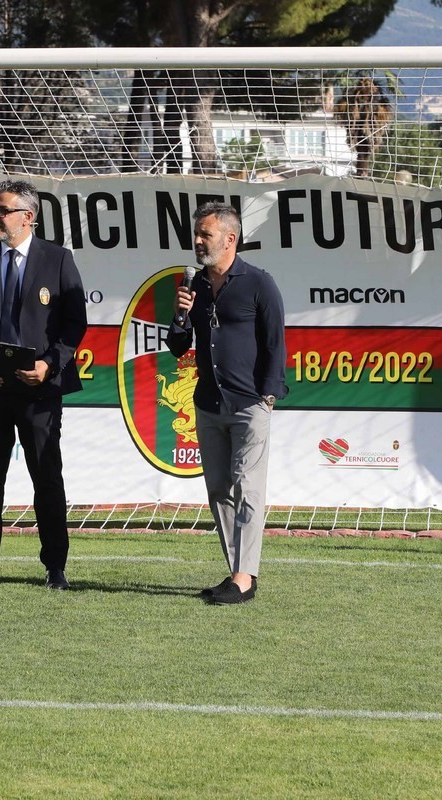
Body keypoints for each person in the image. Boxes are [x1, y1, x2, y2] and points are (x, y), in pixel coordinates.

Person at [0, 179, 87, 590]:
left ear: (28, 217)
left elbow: (75, 324)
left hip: (40, 391)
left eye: (2, 210)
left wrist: (48, 365)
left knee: (47, 477)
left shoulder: (57, 260)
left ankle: (55, 567)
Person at [166, 202, 287, 605]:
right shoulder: (195, 285)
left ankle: (243, 579)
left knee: (247, 487)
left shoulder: (259, 283)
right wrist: (180, 316)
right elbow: (178, 347)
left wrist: (267, 397)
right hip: (208, 403)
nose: (198, 241)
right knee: (219, 489)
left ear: (230, 239)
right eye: (197, 234)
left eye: (207, 235)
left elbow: (274, 343)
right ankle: (237, 571)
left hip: (250, 404)